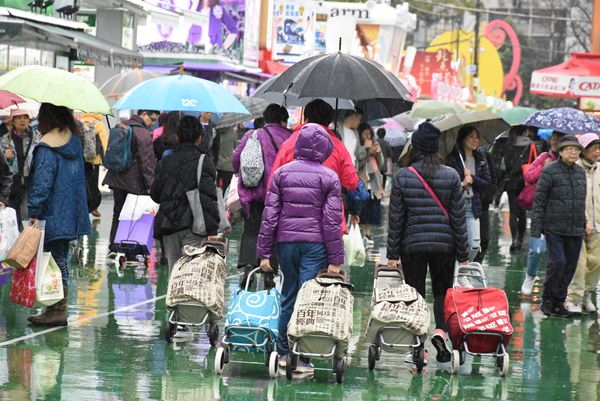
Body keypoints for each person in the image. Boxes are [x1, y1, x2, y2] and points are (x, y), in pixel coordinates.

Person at [257, 123, 343, 369]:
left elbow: (270, 216)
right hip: (315, 246)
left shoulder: (281, 174)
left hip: (286, 244)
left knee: (288, 294)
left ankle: (284, 352)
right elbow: (331, 221)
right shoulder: (330, 177)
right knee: (308, 299)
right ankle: (302, 354)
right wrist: (335, 259)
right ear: (324, 148)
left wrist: (264, 253)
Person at [387, 122, 468, 363]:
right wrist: (463, 254)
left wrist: (392, 254)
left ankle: (418, 346)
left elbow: (396, 219)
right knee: (442, 291)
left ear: (415, 147)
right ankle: (441, 331)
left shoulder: (403, 176)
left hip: (412, 245)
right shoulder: (452, 175)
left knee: (416, 293)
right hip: (445, 246)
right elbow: (459, 219)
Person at [27, 103, 91, 326]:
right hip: (72, 210)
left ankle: (57, 309)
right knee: (59, 258)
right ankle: (55, 307)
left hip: (52, 211)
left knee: (55, 259)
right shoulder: (73, 141)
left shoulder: (47, 147)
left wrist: (34, 211)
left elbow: (42, 183)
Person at [269, 99, 360, 232]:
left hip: (292, 220)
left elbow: (273, 184)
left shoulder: (289, 144)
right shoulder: (338, 146)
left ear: (306, 119)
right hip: (328, 221)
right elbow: (352, 182)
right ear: (328, 122)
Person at [232, 104, 291, 286]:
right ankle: (268, 273)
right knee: (273, 231)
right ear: (283, 120)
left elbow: (236, 158)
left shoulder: (253, 135)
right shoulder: (290, 138)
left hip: (253, 192)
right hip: (278, 195)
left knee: (251, 230)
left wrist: (239, 173)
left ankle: (249, 267)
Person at [150, 116, 219, 271]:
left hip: (169, 225)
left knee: (174, 273)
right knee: (191, 275)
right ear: (199, 138)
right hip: (194, 226)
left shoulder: (165, 162)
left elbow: (155, 194)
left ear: (177, 136)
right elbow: (208, 197)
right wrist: (212, 230)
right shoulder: (203, 161)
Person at [531, 136, 586, 317]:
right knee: (558, 263)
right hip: (554, 227)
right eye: (569, 149)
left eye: (576, 149)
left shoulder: (580, 172)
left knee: (570, 267)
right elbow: (539, 200)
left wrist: (584, 223)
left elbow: (582, 201)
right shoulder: (549, 171)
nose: (573, 152)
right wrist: (536, 229)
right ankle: (547, 300)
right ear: (560, 152)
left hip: (575, 228)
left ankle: (559, 302)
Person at [103, 110, 157, 257]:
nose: (152, 123)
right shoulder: (143, 133)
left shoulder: (122, 126)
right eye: (152, 119)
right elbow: (147, 162)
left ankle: (113, 247)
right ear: (144, 114)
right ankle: (130, 251)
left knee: (117, 213)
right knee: (133, 215)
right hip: (133, 182)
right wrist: (150, 186)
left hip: (116, 177)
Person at [520, 131, 566, 295]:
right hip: (541, 210)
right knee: (537, 249)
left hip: (561, 213)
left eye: (559, 139)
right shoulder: (544, 157)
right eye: (553, 139)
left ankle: (553, 287)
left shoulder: (570, 163)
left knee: (559, 256)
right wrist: (543, 167)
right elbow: (528, 176)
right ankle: (530, 276)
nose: (555, 142)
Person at [564, 134, 600, 314]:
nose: (597, 152)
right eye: (594, 148)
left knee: (597, 262)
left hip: (598, 224)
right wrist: (584, 219)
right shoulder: (574, 169)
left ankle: (587, 294)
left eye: (599, 148)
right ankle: (573, 299)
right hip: (577, 224)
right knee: (579, 263)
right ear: (584, 149)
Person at [446, 125, 491, 261]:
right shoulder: (453, 159)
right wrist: (462, 183)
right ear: (463, 139)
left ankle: (465, 266)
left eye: (477, 137)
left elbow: (486, 184)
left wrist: (473, 178)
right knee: (456, 245)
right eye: (471, 137)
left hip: (473, 206)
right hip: (455, 207)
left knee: (474, 245)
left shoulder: (480, 158)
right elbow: (447, 183)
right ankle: (458, 269)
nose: (475, 140)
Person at [491, 126, 532, 250]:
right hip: (524, 182)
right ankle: (520, 239)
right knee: (522, 212)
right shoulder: (530, 145)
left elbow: (502, 166)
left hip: (511, 181)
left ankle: (514, 239)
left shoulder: (508, 144)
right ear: (524, 130)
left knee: (513, 212)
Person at [0, 109, 40, 229]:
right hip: (13, 183)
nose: (23, 120)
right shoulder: (5, 140)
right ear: (13, 121)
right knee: (12, 215)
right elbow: (3, 166)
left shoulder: (36, 138)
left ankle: (26, 238)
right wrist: (6, 155)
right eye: (19, 117)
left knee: (26, 213)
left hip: (30, 181)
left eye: (25, 117)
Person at [356, 122, 384, 247]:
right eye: (365, 134)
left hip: (374, 183)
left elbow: (380, 163)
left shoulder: (375, 144)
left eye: (370, 134)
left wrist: (377, 152)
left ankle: (367, 234)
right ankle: (358, 234)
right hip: (362, 182)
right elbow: (358, 164)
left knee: (372, 210)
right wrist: (367, 151)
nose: (368, 136)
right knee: (361, 210)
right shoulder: (358, 147)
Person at [78, 113, 108, 218]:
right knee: (93, 184)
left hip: (81, 159)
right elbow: (105, 143)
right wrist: (106, 160)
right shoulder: (99, 124)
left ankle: (82, 206)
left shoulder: (79, 123)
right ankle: (93, 207)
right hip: (94, 160)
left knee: (82, 183)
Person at [216, 124, 239, 191]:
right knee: (226, 189)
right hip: (228, 165)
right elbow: (236, 147)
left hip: (217, 164)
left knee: (216, 188)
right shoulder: (233, 133)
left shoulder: (217, 131)